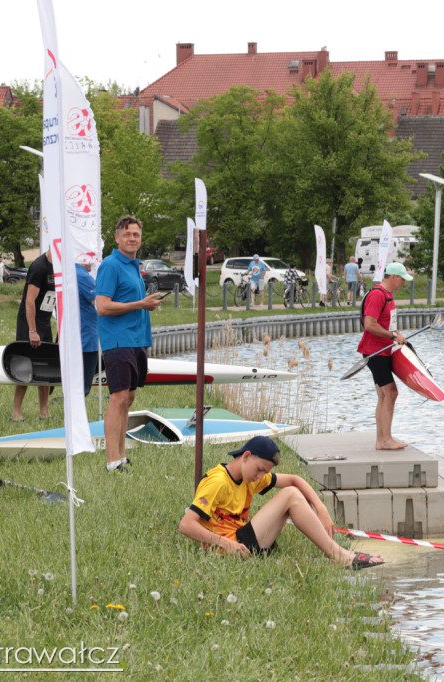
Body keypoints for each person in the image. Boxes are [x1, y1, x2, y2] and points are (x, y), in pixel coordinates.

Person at [178, 436, 384, 569]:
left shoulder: (250, 478)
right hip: (232, 547)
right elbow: (186, 525)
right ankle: (340, 555)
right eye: (259, 469)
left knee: (292, 492)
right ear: (246, 456)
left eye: (265, 473)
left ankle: (339, 553)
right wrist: (227, 545)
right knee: (291, 495)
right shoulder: (217, 481)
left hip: (244, 543)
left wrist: (321, 509)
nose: (261, 477)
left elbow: (295, 478)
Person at [96, 215, 163, 472]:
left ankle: (122, 456)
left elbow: (129, 302)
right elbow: (102, 306)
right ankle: (112, 461)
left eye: (135, 234)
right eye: (127, 234)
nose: (132, 238)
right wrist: (140, 304)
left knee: (130, 397)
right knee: (118, 397)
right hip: (118, 340)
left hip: (137, 340)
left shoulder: (133, 265)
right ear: (117, 238)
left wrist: (148, 305)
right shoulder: (110, 264)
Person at [357, 262, 413, 450]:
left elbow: (386, 324)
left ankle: (381, 440)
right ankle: (385, 439)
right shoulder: (377, 295)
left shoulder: (388, 295)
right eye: (402, 279)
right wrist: (392, 336)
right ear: (393, 277)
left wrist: (396, 336)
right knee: (390, 392)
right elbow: (370, 324)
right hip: (375, 351)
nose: (404, 283)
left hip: (384, 350)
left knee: (383, 394)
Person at [11, 252, 55, 421]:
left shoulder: (59, 266)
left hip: (44, 321)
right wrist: (32, 330)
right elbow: (30, 300)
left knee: (46, 364)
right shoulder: (39, 266)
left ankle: (44, 412)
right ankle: (16, 413)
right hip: (29, 322)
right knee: (24, 365)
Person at [76, 254, 99, 397]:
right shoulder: (83, 277)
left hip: (74, 333)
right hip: (86, 335)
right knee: (84, 381)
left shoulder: (69, 273)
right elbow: (99, 304)